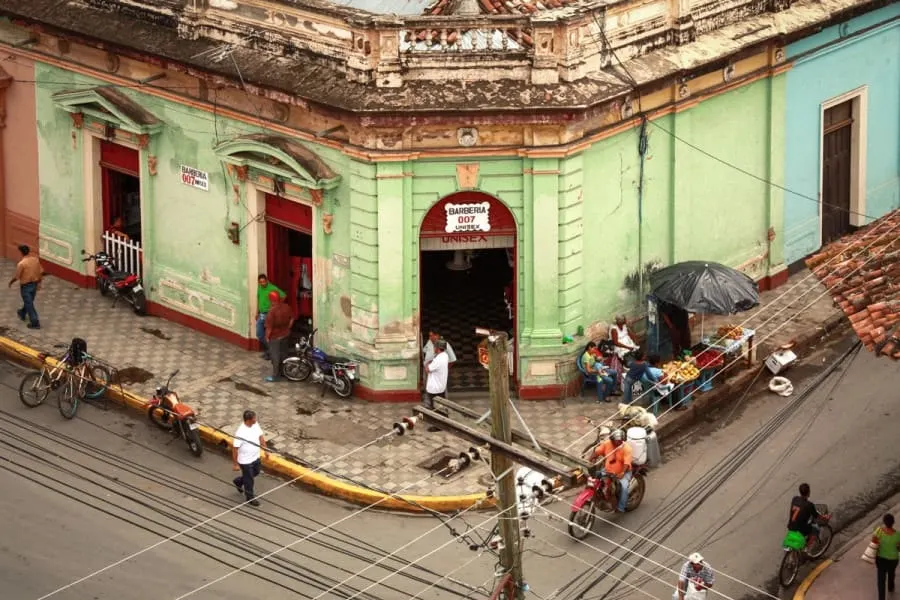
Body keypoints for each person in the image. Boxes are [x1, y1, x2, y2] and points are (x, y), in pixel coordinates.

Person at [589, 429, 632, 513]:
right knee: (595, 478)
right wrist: (590, 460)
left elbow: (627, 463)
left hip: (623, 472)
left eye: (620, 441)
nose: (618, 443)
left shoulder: (627, 448)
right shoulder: (607, 444)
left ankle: (621, 507)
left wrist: (622, 473)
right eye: (616, 441)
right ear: (612, 439)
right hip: (608, 470)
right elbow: (596, 452)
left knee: (624, 487)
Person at [232, 410, 267, 507]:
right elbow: (235, 449)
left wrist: (266, 450)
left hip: (255, 456)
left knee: (256, 472)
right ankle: (250, 498)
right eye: (254, 419)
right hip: (245, 461)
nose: (255, 420)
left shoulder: (255, 425)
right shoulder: (240, 433)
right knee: (249, 480)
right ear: (248, 420)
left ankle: (239, 481)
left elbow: (261, 437)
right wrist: (235, 464)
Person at [9, 244, 43, 329]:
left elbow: (17, 277)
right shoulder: (35, 260)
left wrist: (11, 282)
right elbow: (40, 272)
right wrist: (39, 283)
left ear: (21, 252)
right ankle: (22, 313)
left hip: (26, 287)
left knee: (29, 304)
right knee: (29, 302)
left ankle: (35, 322)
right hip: (34, 284)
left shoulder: (21, 264)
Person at [264, 291, 294, 382]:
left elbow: (269, 328)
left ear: (271, 300)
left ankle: (276, 376)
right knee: (284, 354)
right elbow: (292, 318)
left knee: (275, 356)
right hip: (285, 334)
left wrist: (267, 337)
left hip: (275, 336)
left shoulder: (271, 312)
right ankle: (285, 372)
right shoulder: (287, 307)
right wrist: (288, 327)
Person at [256, 274, 285, 360]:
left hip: (269, 314)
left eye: (264, 281)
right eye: (261, 282)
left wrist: (276, 306)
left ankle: (271, 352)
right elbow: (258, 299)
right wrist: (257, 312)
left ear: (267, 280)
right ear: (259, 282)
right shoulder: (259, 288)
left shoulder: (272, 288)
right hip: (261, 314)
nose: (263, 283)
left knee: (269, 334)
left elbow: (283, 296)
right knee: (259, 334)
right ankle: (271, 350)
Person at [423, 340, 449, 432]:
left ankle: (438, 426)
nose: (433, 349)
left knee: (436, 407)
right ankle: (445, 422)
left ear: (437, 349)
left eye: (434, 347)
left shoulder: (438, 359)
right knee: (441, 406)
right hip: (441, 386)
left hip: (434, 388)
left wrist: (426, 363)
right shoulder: (445, 356)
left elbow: (427, 369)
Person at [874, 513, 900, 600]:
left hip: (881, 560)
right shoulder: (897, 535)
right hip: (893, 560)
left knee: (881, 581)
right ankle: (891, 586)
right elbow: (899, 549)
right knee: (891, 573)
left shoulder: (879, 531)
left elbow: (874, 543)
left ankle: (881, 598)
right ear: (893, 523)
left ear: (884, 522)